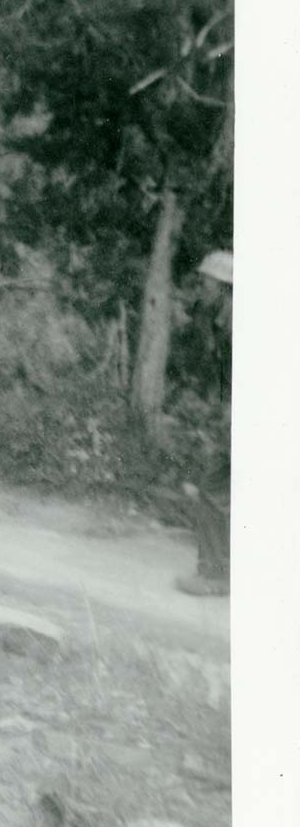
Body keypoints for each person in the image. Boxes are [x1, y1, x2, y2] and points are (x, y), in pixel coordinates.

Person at [175, 250, 233, 597]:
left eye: (207, 282)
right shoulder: (223, 318)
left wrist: (229, 412)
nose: (203, 288)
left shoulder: (236, 321)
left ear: (225, 286)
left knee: (213, 488)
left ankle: (214, 575)